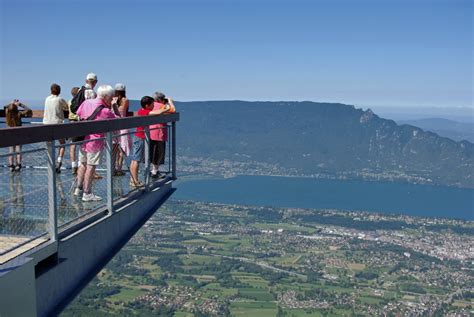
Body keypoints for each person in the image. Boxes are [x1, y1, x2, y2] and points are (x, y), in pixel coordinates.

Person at [74, 85, 119, 202]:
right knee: (91, 166)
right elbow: (118, 120)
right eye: (110, 98)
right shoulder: (105, 111)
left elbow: (78, 114)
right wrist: (114, 105)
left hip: (83, 138)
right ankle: (87, 193)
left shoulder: (86, 103)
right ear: (105, 97)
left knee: (83, 164)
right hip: (95, 141)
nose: (111, 99)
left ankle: (78, 188)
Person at [129, 96, 169, 187]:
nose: (153, 106)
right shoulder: (146, 112)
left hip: (137, 136)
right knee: (136, 160)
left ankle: (133, 180)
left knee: (134, 159)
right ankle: (135, 181)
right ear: (147, 105)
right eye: (152, 104)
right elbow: (158, 112)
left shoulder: (140, 111)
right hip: (141, 137)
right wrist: (166, 107)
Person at [43, 83, 69, 173]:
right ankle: (59, 162)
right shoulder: (59, 99)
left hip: (46, 124)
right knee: (62, 144)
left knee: (50, 145)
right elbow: (66, 107)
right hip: (57, 124)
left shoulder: (47, 99)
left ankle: (51, 164)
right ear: (59, 91)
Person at [150, 92, 175, 177]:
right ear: (160, 99)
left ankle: (153, 170)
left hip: (150, 131)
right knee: (159, 152)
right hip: (160, 132)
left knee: (153, 151)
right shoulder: (162, 106)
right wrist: (170, 101)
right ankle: (155, 171)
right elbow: (173, 110)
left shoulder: (151, 105)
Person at [4, 100, 32, 171]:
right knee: (18, 150)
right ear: (16, 108)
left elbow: (5, 107)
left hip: (10, 133)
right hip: (18, 134)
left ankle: (11, 165)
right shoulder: (19, 114)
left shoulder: (7, 114)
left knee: (11, 150)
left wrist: (11, 103)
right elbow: (28, 110)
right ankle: (18, 165)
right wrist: (20, 104)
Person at [112, 83, 131, 176]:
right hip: (123, 125)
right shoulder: (125, 100)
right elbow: (126, 111)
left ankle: (113, 168)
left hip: (114, 126)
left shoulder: (112, 100)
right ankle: (119, 167)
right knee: (122, 148)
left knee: (114, 148)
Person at [68, 87, 80, 175]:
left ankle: (73, 165)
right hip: (78, 122)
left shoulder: (69, 101)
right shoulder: (80, 102)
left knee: (72, 146)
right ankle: (80, 165)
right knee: (82, 145)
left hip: (71, 122)